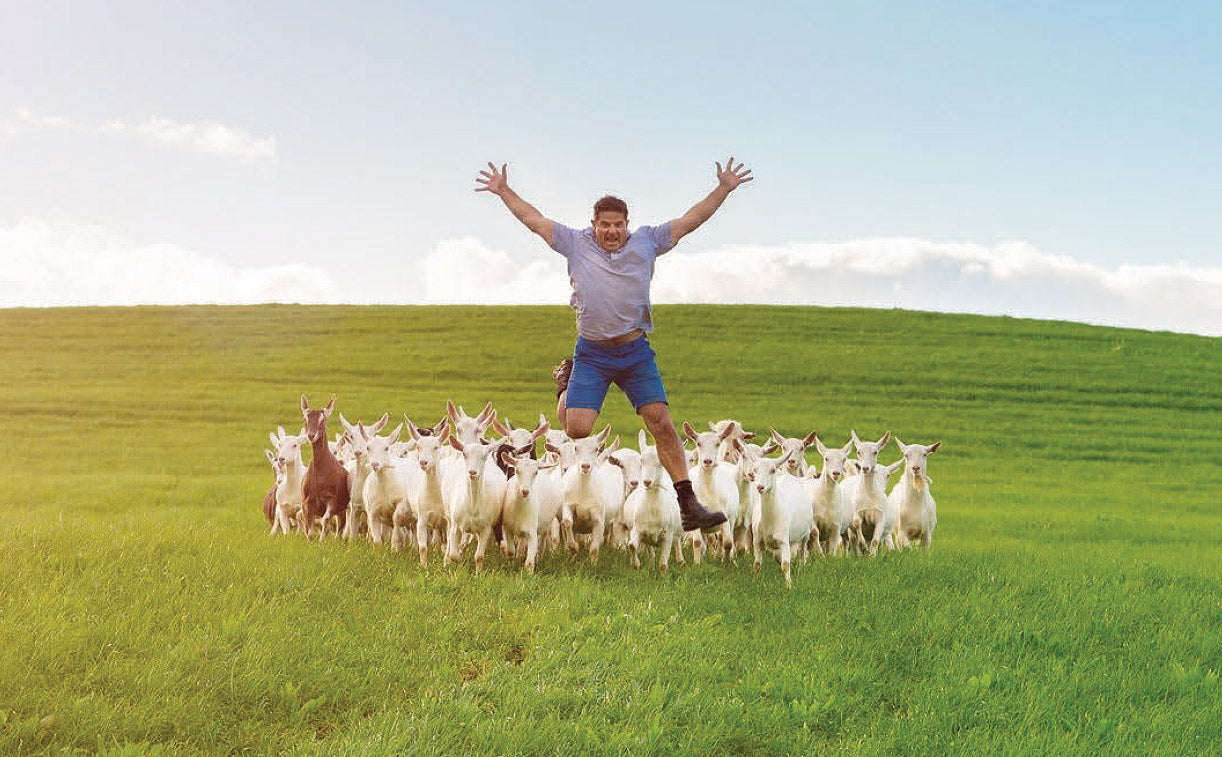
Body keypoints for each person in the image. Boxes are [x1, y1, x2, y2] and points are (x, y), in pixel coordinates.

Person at [474, 157, 753, 531]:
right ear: (594, 226)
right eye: (604, 225)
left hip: (635, 352)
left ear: (627, 224)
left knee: (662, 423)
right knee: (576, 429)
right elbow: (534, 220)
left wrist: (723, 188)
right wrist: (504, 190)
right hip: (592, 353)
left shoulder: (648, 241)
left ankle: (688, 504)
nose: (611, 231)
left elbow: (691, 220)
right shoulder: (575, 243)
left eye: (618, 225)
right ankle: (565, 383)